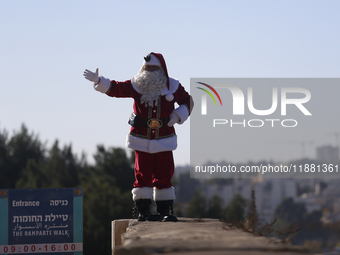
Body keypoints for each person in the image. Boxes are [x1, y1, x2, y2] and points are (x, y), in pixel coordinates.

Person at [84, 52, 193, 221]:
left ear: (161, 69)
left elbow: (188, 101)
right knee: (142, 174)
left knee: (165, 173)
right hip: (141, 138)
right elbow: (116, 88)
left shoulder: (172, 85)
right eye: (147, 67)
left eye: (153, 68)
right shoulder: (137, 84)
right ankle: (144, 211)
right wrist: (99, 82)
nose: (149, 71)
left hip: (164, 138)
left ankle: (165, 210)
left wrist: (178, 115)